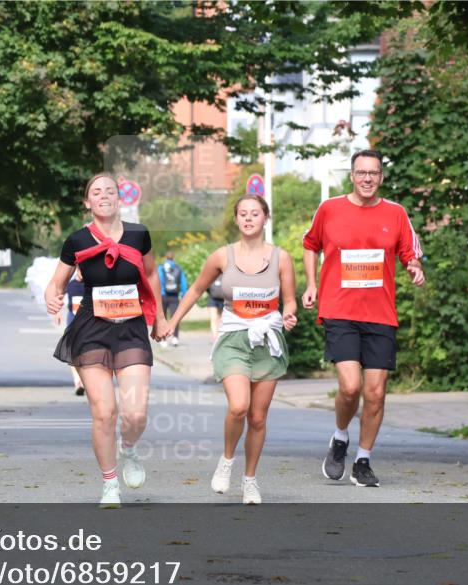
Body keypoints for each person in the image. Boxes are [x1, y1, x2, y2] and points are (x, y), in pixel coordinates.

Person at [159, 195, 297, 504]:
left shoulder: (281, 258)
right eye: (243, 214)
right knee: (239, 406)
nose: (249, 219)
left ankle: (250, 480)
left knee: (258, 418)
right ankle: (226, 460)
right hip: (234, 338)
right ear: (236, 220)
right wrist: (172, 321)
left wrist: (289, 313)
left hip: (267, 342)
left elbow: (289, 298)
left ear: (266, 218)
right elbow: (195, 289)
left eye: (255, 214)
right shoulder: (223, 256)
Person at [302, 149, 425, 487]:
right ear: (352, 176)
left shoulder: (396, 213)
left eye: (374, 173)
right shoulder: (330, 209)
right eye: (361, 173)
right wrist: (312, 284)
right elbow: (310, 245)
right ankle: (340, 436)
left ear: (381, 177)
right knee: (350, 386)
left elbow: (409, 252)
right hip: (339, 310)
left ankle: (363, 460)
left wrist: (414, 267)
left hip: (380, 313)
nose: (367, 178)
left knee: (376, 393)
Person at [46, 172, 167, 507]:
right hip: (91, 329)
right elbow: (56, 282)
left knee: (136, 414)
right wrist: (51, 298)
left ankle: (128, 449)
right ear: (88, 202)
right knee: (104, 412)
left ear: (119, 198)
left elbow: (152, 272)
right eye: (96, 192)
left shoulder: (139, 235)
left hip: (131, 328)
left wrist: (160, 317)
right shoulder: (77, 240)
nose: (103, 196)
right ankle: (110, 483)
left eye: (109, 191)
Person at [52, 268, 87, 396]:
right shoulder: (71, 284)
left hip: (87, 322)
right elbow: (58, 294)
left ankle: (84, 381)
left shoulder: (90, 283)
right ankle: (78, 381)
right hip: (72, 320)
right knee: (72, 353)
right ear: (77, 268)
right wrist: (57, 312)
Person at [158, 250, 189, 347]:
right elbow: (183, 283)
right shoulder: (178, 268)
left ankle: (163, 340)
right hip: (175, 296)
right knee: (175, 317)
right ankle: (175, 338)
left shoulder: (161, 267)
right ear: (173, 258)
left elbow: (158, 281)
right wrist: (184, 295)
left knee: (163, 318)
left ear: (166, 258)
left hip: (163, 295)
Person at [207, 274, 225, 340]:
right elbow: (207, 287)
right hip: (213, 299)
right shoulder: (212, 275)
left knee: (220, 318)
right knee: (213, 318)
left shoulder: (225, 274)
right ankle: (214, 335)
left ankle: (219, 334)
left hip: (223, 299)